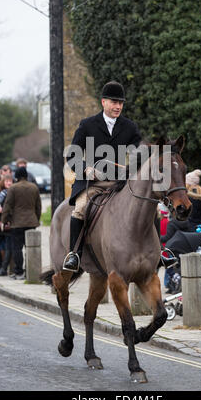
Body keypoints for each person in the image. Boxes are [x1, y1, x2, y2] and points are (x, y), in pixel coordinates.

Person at [63, 80, 142, 272]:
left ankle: (158, 252)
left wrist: (131, 167)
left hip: (120, 183)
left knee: (146, 205)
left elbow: (139, 154)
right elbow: (72, 154)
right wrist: (84, 169)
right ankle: (74, 254)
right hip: (93, 183)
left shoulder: (130, 127)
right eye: (114, 102)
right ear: (103, 102)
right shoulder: (87, 125)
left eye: (121, 103)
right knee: (81, 208)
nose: (118, 106)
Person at [1, 166, 41, 280]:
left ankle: (19, 272)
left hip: (17, 223)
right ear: (26, 175)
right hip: (31, 222)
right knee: (30, 247)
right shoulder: (34, 187)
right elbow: (38, 206)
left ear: (16, 176)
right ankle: (30, 271)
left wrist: (4, 220)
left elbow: (7, 205)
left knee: (17, 248)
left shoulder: (13, 188)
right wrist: (36, 219)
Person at [0, 174, 14, 276]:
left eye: (10, 181)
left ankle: (3, 269)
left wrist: (3, 211)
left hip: (8, 224)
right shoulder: (0, 194)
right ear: (3, 183)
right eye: (7, 181)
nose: (8, 183)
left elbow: (14, 209)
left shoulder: (13, 193)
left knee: (9, 248)